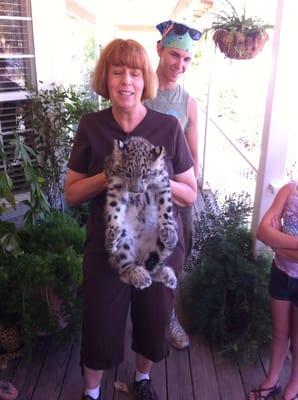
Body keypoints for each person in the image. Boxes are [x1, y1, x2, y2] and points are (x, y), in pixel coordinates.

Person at [64, 38, 197, 400]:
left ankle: (141, 378)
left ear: (144, 80)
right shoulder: (91, 126)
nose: (126, 80)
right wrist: (110, 175)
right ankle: (91, 393)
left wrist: (153, 176)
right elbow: (72, 193)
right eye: (117, 71)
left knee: (154, 321)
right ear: (105, 78)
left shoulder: (168, 128)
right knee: (99, 322)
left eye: (135, 73)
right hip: (108, 249)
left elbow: (190, 192)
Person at [145, 20, 201, 349]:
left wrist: (191, 194)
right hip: (139, 193)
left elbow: (193, 155)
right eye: (174, 55)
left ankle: (167, 315)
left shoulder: (189, 102)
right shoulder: (138, 89)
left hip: (177, 193)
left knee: (176, 255)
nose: (179, 65)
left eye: (187, 59)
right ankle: (139, 310)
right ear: (159, 50)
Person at [249, 181, 298, 400]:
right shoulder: (290, 189)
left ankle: (293, 389)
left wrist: (277, 243)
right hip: (281, 274)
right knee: (279, 333)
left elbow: (271, 237)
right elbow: (262, 232)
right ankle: (272, 380)